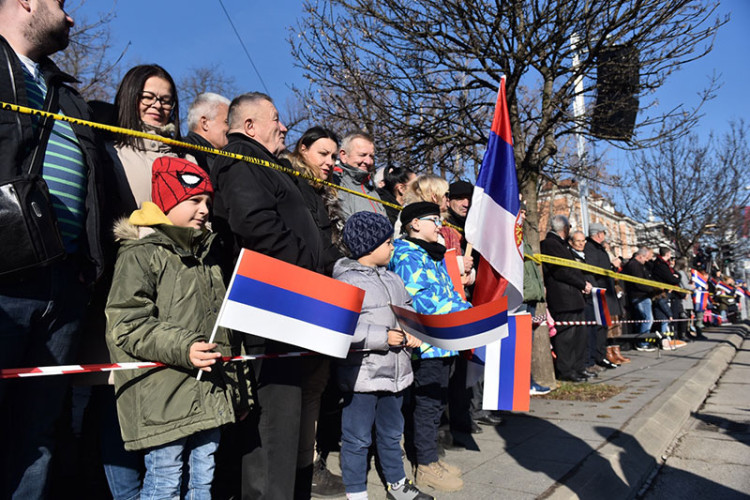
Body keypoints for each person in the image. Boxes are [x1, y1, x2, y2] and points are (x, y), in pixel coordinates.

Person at [0, 2, 110, 497]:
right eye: (61, 3)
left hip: (65, 285)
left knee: (37, 435)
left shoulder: (67, 93)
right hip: (5, 282)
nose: (70, 18)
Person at [105, 157, 249, 499]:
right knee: (165, 481)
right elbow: (127, 322)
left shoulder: (210, 256)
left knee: (203, 480)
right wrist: (184, 347)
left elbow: (223, 328)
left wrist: (240, 392)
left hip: (211, 390)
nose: (204, 210)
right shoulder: (140, 254)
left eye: (208, 203)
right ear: (167, 202)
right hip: (164, 395)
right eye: (194, 200)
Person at [211, 92, 324, 499]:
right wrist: (307, 270)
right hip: (272, 303)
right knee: (273, 426)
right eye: (275, 118)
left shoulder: (266, 164)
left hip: (288, 304)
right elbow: (254, 223)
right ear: (249, 126)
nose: (284, 126)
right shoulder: (242, 157)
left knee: (287, 421)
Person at [334, 211, 433, 500]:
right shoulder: (347, 281)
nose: (392, 247)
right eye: (388, 242)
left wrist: (413, 330)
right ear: (369, 246)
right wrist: (381, 337)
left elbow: (408, 309)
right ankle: (356, 493)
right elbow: (342, 328)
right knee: (357, 438)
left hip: (397, 375)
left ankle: (398, 486)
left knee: (392, 434)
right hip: (362, 378)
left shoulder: (393, 279)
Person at [283, 126, 346, 498]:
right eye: (323, 154)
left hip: (328, 288)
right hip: (301, 292)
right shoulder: (291, 182)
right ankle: (298, 468)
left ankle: (310, 464)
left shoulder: (329, 192)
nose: (329, 162)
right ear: (302, 149)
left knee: (318, 387)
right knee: (300, 388)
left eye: (333, 156)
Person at [390, 202, 466, 493]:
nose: (440, 226)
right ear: (414, 224)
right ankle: (424, 466)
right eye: (434, 220)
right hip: (428, 343)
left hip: (443, 341)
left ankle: (430, 458)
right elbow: (420, 299)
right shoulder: (407, 254)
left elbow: (447, 292)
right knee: (426, 404)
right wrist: (463, 313)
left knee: (436, 404)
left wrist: (468, 312)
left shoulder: (431, 254)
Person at [108, 64, 194, 214]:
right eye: (148, 97)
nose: (157, 105)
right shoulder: (109, 153)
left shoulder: (187, 160)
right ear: (129, 97)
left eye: (166, 100)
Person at [540, 216, 593, 382]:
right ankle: (566, 370)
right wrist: (581, 283)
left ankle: (579, 367)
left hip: (574, 298)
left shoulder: (562, 245)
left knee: (579, 336)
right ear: (565, 228)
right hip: (564, 298)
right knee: (567, 338)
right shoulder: (550, 244)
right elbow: (562, 270)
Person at [583, 223, 621, 369]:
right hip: (599, 292)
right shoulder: (591, 248)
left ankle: (601, 355)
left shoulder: (599, 248)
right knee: (599, 326)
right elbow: (594, 269)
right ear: (599, 234)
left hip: (605, 291)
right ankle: (597, 356)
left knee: (604, 326)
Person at [335, 132, 387, 219]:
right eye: (362, 155)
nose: (368, 161)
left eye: (372, 156)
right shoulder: (335, 182)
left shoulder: (372, 192)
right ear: (344, 155)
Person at [184, 92, 231, 173]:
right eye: (227, 122)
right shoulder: (184, 151)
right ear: (205, 123)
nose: (231, 129)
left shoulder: (220, 159)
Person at [622, 247, 657, 352]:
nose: (647, 260)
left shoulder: (638, 265)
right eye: (645, 258)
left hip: (642, 295)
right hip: (640, 296)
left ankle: (640, 341)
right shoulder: (634, 265)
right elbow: (639, 283)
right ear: (640, 256)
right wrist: (652, 289)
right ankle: (643, 342)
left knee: (641, 320)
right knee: (648, 319)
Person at [650, 247, 686, 349]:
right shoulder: (660, 265)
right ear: (667, 254)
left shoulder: (662, 265)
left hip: (666, 294)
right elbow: (671, 278)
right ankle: (664, 341)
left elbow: (675, 276)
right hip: (662, 293)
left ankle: (667, 339)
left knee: (665, 320)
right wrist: (674, 279)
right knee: (663, 320)